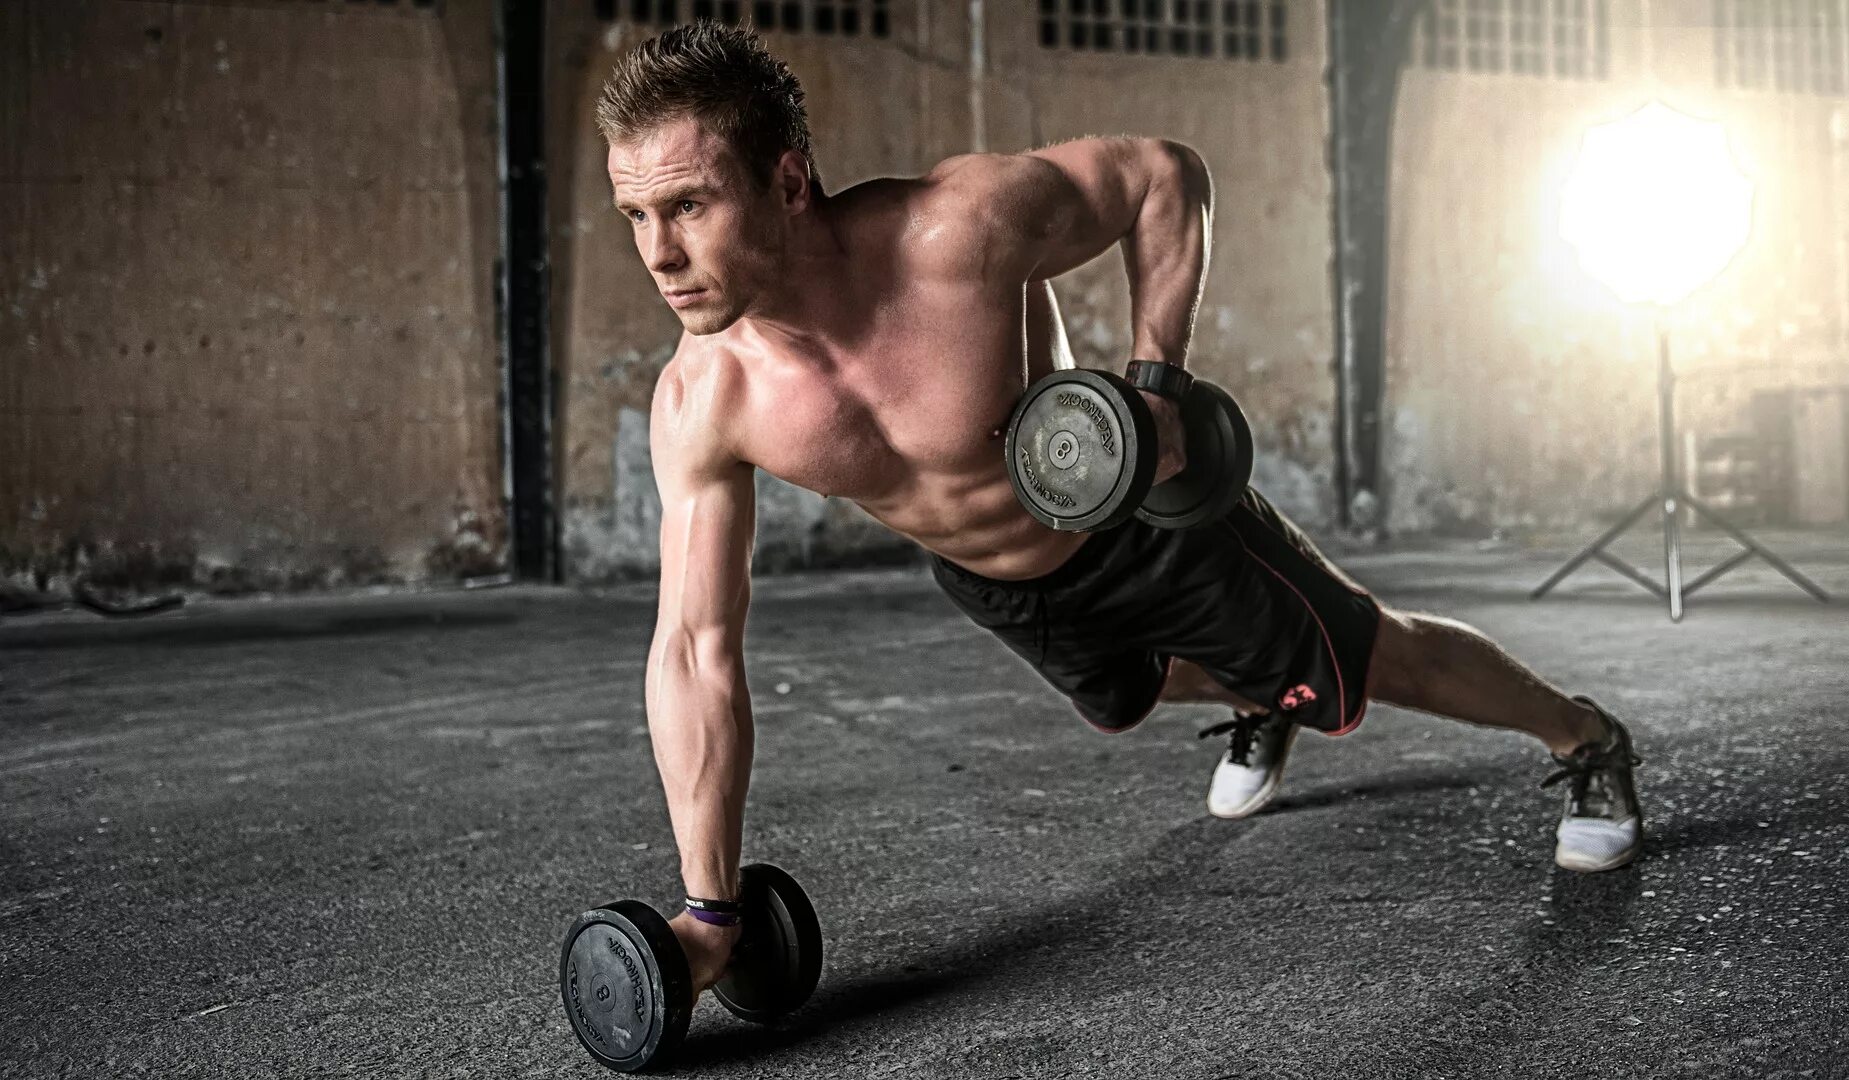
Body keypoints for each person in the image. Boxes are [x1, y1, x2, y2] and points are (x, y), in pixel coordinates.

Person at [599, 23, 1644, 1003]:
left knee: (1362, 656)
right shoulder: (705, 402)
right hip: (995, 584)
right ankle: (1256, 699)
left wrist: (1155, 384)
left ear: (786, 180)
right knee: (1125, 696)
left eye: (688, 205)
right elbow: (694, 651)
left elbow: (1162, 177)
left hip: (1134, 526)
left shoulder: (955, 233)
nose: (657, 253)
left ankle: (1584, 739)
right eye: (636, 215)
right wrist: (708, 908)